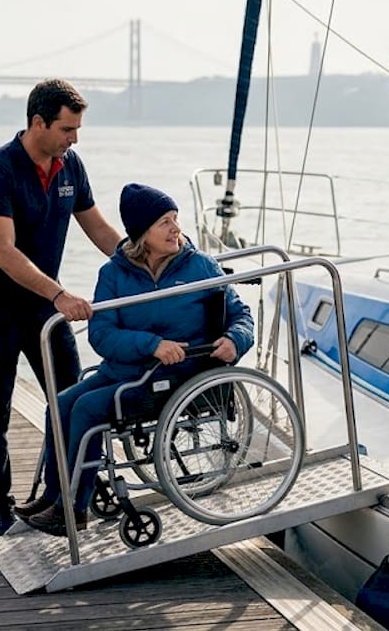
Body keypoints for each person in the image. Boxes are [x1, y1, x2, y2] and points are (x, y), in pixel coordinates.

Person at [14, 183, 255, 535]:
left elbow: (240, 314)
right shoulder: (114, 273)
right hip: (125, 369)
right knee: (59, 404)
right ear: (142, 233)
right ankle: (55, 495)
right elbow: (101, 334)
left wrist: (236, 339)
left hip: (176, 376)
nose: (176, 229)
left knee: (87, 409)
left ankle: (74, 509)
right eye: (165, 222)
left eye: (176, 220)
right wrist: (151, 344)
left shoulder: (200, 267)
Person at [0, 78, 123, 537]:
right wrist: (59, 294)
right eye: (67, 129)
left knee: (72, 400)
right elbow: (4, 251)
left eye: (76, 130)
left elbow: (97, 228)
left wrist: (146, 260)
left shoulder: (70, 165)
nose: (74, 138)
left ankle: (63, 498)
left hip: (43, 308)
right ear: (38, 123)